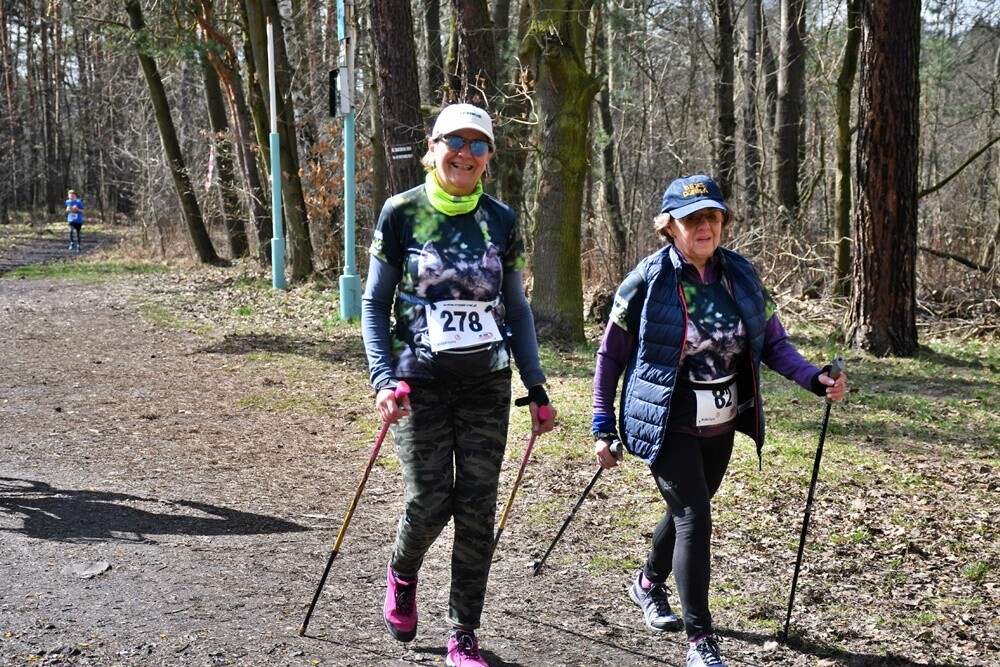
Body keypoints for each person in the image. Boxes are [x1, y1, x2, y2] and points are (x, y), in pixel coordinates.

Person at [590, 174, 847, 667]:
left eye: (712, 216)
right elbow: (610, 356)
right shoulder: (646, 280)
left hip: (721, 420)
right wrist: (603, 424)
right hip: (666, 418)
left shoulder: (741, 275)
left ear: (723, 221)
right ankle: (700, 641)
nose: (704, 226)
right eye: (692, 219)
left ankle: (647, 583)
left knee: (689, 509)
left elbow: (773, 343)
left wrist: (814, 378)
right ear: (670, 226)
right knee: (695, 517)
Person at [361, 102, 556, 667]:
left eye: (478, 144)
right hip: (417, 381)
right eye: (455, 141)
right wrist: (383, 378)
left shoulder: (501, 219)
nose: (466, 154)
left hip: (486, 383)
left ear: (489, 156)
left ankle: (462, 631)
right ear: (433, 146)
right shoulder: (402, 212)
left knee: (476, 508)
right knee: (429, 501)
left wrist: (536, 386)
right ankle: (402, 571)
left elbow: (517, 309)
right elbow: (374, 303)